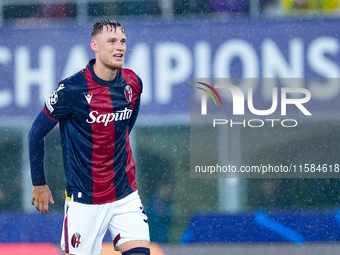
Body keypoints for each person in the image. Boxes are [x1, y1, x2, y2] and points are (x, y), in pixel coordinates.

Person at [28, 20, 150, 255]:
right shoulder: (72, 89)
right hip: (85, 199)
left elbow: (126, 126)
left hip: (124, 192)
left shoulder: (132, 82)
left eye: (123, 41)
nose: (120, 47)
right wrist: (39, 184)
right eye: (112, 41)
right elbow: (36, 132)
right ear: (94, 45)